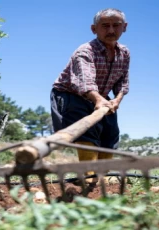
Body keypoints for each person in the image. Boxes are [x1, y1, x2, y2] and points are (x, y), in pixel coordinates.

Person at [50, 8, 130, 185]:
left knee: (110, 133)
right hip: (70, 93)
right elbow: (84, 82)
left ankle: (103, 175)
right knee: (87, 133)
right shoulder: (85, 51)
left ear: (124, 27)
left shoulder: (124, 53)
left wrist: (116, 100)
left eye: (116, 25)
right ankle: (88, 173)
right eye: (105, 26)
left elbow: (122, 82)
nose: (111, 30)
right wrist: (98, 100)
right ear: (94, 29)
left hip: (102, 96)